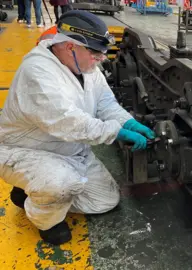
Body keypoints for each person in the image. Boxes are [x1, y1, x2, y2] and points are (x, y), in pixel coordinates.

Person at [0, 10, 156, 245]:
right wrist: (117, 133)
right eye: (95, 52)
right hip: (24, 151)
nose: (101, 58)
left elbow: (105, 103)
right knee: (61, 184)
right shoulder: (37, 73)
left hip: (69, 149)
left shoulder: (88, 68)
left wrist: (128, 122)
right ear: (70, 46)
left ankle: (33, 190)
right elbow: (69, 122)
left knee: (106, 200)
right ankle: (45, 219)